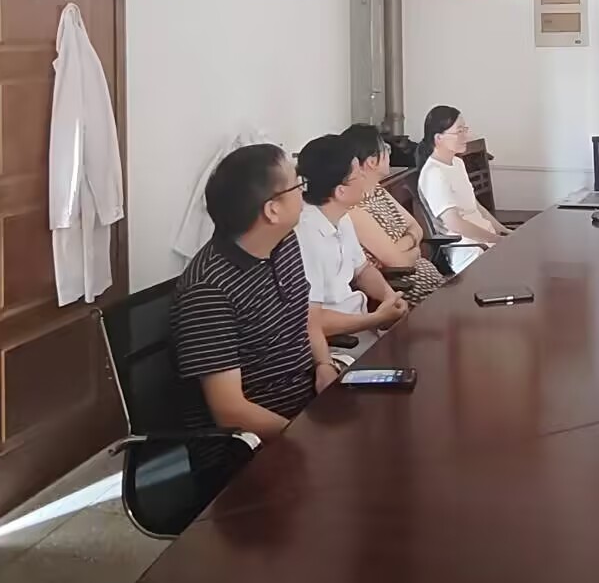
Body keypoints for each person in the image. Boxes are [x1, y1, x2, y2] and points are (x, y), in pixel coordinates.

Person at [171, 145, 341, 462]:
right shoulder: (208, 289)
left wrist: (323, 365)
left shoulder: (284, 242)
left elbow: (304, 317)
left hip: (306, 414)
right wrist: (310, 439)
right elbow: (230, 410)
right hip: (252, 451)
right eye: (296, 184)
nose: (303, 191)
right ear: (272, 210)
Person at [295, 135, 412, 339]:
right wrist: (376, 318)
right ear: (341, 191)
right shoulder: (306, 237)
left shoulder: (342, 216)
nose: (365, 177)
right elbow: (312, 321)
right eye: (358, 174)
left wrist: (389, 297)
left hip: (362, 327)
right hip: (339, 341)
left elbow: (362, 269)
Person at [341, 123, 448, 303]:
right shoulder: (354, 209)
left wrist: (401, 247)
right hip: (408, 292)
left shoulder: (377, 190)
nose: (390, 153)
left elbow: (416, 228)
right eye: (386, 149)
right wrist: (414, 250)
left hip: (433, 284)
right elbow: (399, 264)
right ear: (372, 161)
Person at [417, 106, 509, 248]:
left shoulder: (457, 163)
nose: (466, 136)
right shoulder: (433, 173)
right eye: (459, 131)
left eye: (465, 130)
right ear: (439, 138)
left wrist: (504, 231)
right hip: (469, 248)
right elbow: (454, 223)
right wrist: (497, 240)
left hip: (486, 240)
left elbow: (475, 206)